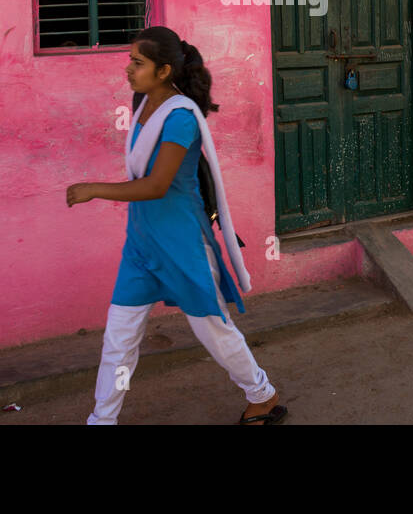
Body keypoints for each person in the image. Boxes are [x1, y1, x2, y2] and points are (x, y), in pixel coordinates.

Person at [66, 26, 287, 425]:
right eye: (130, 60)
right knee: (118, 340)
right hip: (142, 246)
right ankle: (102, 420)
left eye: (138, 62)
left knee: (214, 330)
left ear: (164, 70)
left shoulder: (181, 118)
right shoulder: (143, 104)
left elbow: (156, 185)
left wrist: (93, 189)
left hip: (183, 244)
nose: (128, 69)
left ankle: (263, 394)